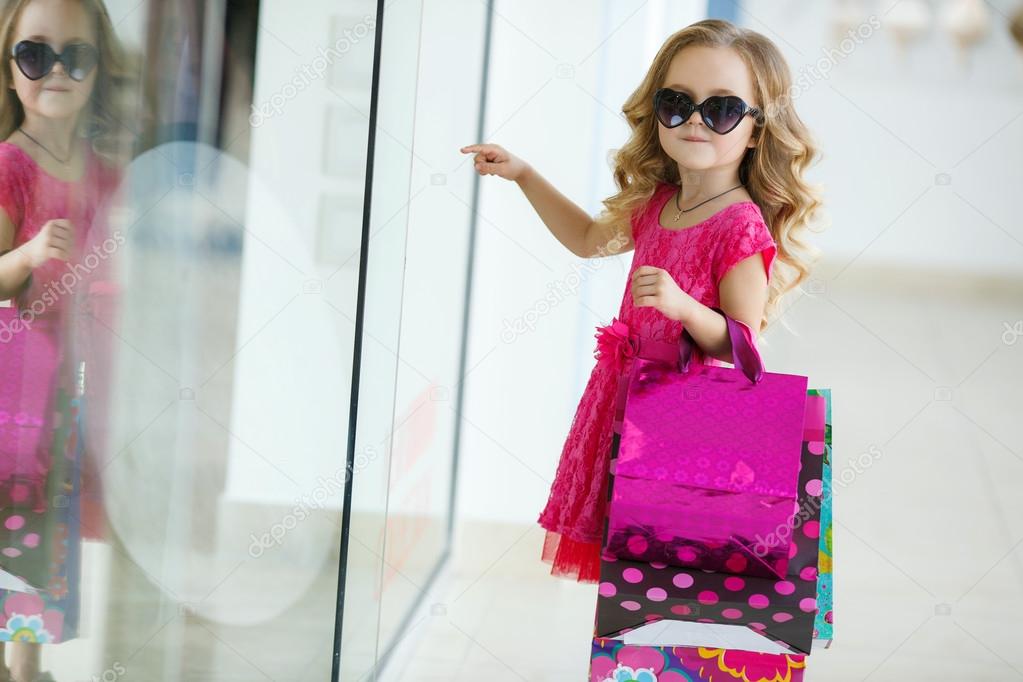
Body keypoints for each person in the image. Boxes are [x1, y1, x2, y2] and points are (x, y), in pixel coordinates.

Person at [460, 18, 821, 584]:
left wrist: (684, 307)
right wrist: (525, 175)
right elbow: (586, 239)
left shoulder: (740, 226)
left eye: (722, 108)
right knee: (625, 561)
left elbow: (743, 348)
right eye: (677, 102)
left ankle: (662, 663)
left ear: (755, 130)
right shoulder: (659, 203)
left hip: (683, 413)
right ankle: (628, 664)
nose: (696, 120)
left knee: (664, 561)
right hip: (625, 397)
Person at [0, 0, 127, 679]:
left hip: (64, 396)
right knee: (11, 537)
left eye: (73, 56)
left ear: (98, 68)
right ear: (9, 66)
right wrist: (24, 258)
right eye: (34, 54)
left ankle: (27, 669)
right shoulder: (9, 166)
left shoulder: (103, 170)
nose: (54, 71)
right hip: (9, 397)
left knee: (43, 545)